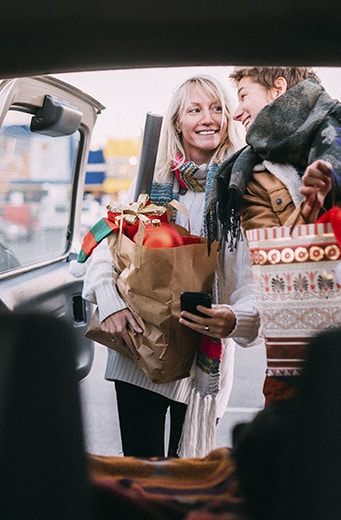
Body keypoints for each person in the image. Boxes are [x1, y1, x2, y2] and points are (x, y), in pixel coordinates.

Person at [82, 75, 261, 458]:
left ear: (229, 118)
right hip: (138, 351)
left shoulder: (242, 190)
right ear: (177, 122)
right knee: (141, 475)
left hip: (202, 365)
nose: (207, 118)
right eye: (194, 110)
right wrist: (110, 302)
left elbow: (251, 278)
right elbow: (104, 244)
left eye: (217, 109)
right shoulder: (152, 179)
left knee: (189, 478)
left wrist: (238, 319)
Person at [206, 66, 341, 405]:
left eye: (243, 96)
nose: (236, 113)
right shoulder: (252, 176)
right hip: (301, 355)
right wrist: (309, 207)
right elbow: (270, 268)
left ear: (277, 88)